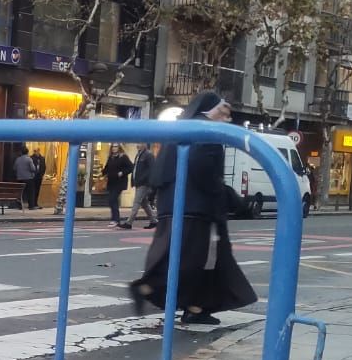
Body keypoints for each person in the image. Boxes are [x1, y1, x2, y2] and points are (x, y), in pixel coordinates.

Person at [127, 91, 257, 326]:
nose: (227, 118)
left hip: (174, 206)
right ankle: (149, 288)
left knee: (189, 258)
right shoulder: (205, 131)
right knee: (196, 260)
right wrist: (227, 196)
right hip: (197, 210)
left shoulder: (181, 130)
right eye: (224, 112)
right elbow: (203, 169)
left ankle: (195, 307)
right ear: (212, 110)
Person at [103, 144, 133, 228]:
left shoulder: (123, 157)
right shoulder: (111, 157)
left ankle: (115, 220)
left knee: (113, 199)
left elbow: (131, 167)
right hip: (111, 182)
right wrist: (103, 173)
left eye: (116, 147)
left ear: (119, 148)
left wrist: (122, 172)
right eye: (113, 147)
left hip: (119, 182)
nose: (114, 148)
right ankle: (115, 220)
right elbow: (106, 168)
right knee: (112, 200)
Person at [128, 144, 157, 229]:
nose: (137, 145)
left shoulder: (148, 155)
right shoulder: (139, 154)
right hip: (138, 183)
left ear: (144, 144)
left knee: (136, 202)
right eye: (137, 143)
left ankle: (129, 222)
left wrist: (146, 180)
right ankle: (153, 221)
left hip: (144, 183)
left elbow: (152, 169)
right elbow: (135, 169)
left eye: (139, 143)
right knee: (145, 204)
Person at [13, 146, 36, 212]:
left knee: (21, 192)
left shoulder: (18, 159)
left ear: (21, 152)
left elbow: (14, 168)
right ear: (27, 152)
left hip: (20, 178)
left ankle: (19, 205)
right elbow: (33, 169)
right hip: (28, 178)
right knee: (30, 192)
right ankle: (31, 206)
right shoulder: (29, 159)